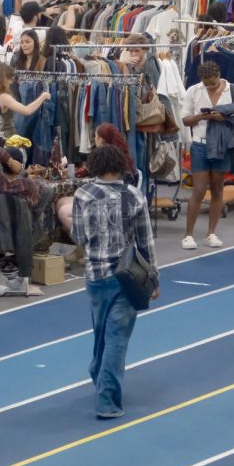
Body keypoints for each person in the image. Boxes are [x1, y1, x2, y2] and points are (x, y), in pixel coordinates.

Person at [72, 145, 157, 420]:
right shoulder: (134, 196)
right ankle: (107, 400)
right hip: (127, 277)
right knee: (117, 339)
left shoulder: (82, 195)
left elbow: (79, 236)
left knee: (101, 332)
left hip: (95, 277)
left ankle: (99, 373)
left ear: (94, 166)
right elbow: (145, 241)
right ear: (121, 166)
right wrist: (153, 278)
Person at [181, 60, 234, 250]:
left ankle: (211, 233)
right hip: (200, 145)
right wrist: (202, 116)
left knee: (218, 189)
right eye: (207, 84)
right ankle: (188, 235)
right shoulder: (193, 91)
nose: (211, 86)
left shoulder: (233, 90)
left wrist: (224, 117)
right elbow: (185, 120)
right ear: (201, 80)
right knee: (199, 190)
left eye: (214, 83)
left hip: (222, 146)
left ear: (218, 76)